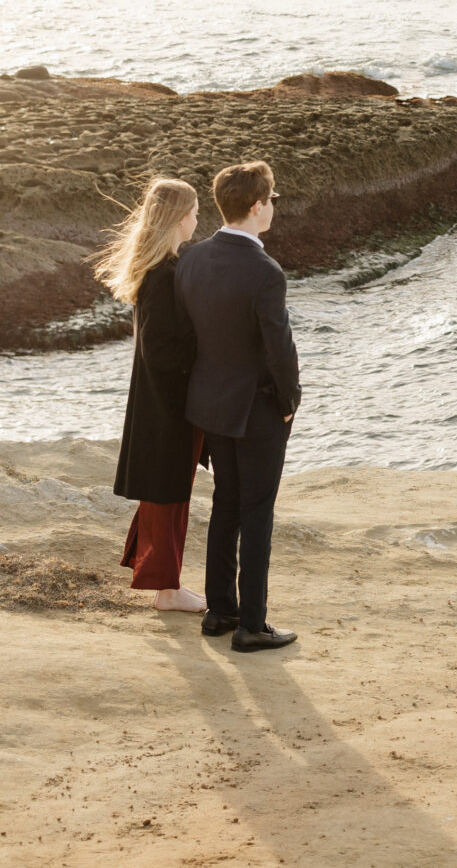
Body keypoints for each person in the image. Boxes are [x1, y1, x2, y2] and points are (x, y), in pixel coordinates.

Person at [176, 161, 301, 651]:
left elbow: (189, 339)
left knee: (225, 506)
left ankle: (219, 610)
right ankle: (252, 624)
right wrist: (290, 401)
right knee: (257, 513)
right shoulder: (265, 271)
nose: (272, 207)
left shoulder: (192, 258)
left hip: (210, 406)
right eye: (270, 200)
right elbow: (279, 349)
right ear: (256, 206)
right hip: (257, 410)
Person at [101, 176, 208, 610]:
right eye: (196, 213)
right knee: (168, 493)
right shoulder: (164, 273)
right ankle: (167, 589)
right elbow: (159, 348)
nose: (199, 220)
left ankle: (164, 580)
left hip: (158, 401)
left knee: (166, 492)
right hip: (166, 405)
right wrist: (203, 349)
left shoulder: (159, 267)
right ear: (180, 218)